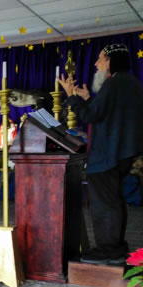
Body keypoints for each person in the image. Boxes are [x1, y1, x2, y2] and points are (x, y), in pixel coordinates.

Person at [59, 43, 143, 265]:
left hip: (107, 155)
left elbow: (90, 116)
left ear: (111, 61)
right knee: (113, 200)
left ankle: (108, 250)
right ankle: (116, 247)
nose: (96, 63)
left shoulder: (113, 83)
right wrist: (88, 98)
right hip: (120, 154)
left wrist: (71, 96)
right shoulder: (129, 82)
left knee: (104, 203)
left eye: (100, 58)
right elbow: (106, 114)